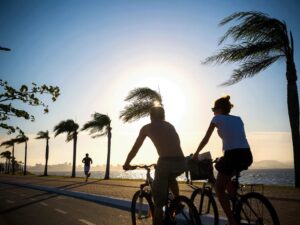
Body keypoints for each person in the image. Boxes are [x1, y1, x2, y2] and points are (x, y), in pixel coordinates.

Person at [193, 95, 253, 225]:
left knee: (219, 189)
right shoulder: (238, 119)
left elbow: (206, 138)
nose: (213, 111)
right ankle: (234, 198)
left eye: (214, 109)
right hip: (247, 154)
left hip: (232, 155)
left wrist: (196, 153)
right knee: (226, 173)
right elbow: (236, 138)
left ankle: (232, 221)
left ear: (219, 109)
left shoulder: (217, 118)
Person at [123, 106, 186, 225]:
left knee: (158, 204)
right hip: (181, 163)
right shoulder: (169, 125)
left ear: (151, 116)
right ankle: (177, 202)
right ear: (163, 115)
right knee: (171, 177)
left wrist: (127, 163)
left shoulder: (147, 128)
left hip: (165, 163)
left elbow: (135, 148)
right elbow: (177, 142)